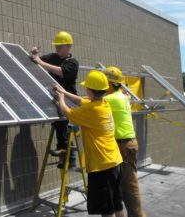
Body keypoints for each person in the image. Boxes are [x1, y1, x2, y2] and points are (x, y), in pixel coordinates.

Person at [54, 70, 124, 217]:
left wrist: (60, 98)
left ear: (90, 91)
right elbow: (80, 100)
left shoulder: (91, 110)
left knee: (107, 210)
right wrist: (65, 92)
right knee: (117, 204)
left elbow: (68, 112)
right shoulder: (103, 104)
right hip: (115, 162)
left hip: (102, 166)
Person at [31, 31, 79, 168]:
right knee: (58, 125)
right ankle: (64, 154)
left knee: (63, 124)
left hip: (69, 99)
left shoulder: (73, 63)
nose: (57, 49)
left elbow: (60, 71)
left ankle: (69, 157)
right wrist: (34, 54)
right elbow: (35, 59)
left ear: (68, 46)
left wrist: (41, 62)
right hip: (56, 98)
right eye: (56, 46)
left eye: (60, 46)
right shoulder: (52, 57)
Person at [104, 66, 146, 217]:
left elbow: (90, 102)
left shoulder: (110, 99)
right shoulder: (122, 96)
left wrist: (64, 95)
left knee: (129, 185)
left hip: (124, 144)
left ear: (109, 84)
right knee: (126, 183)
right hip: (126, 143)